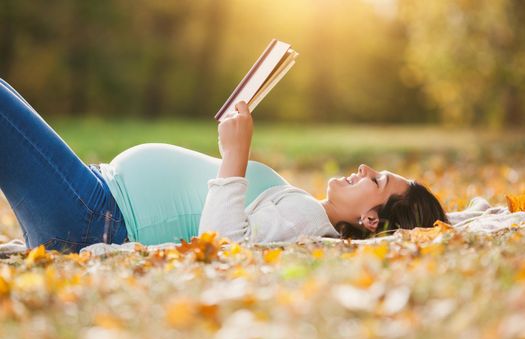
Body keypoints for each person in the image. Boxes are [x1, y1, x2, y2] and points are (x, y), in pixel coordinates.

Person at [0, 79, 448, 253]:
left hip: (92, 216)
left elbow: (226, 244)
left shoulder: (304, 221)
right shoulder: (303, 209)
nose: (366, 168)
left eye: (377, 181)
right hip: (93, 193)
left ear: (371, 221)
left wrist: (235, 155)